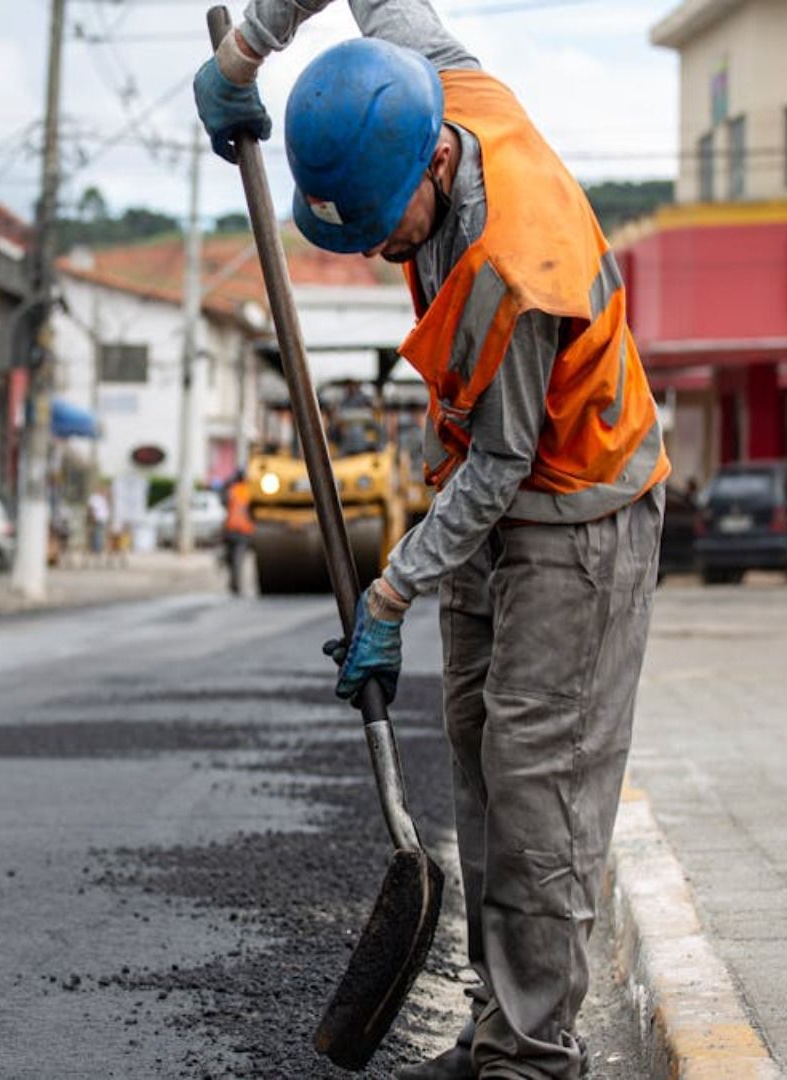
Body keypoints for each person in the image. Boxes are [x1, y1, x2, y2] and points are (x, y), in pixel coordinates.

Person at [198, 6, 670, 1078]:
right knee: (476, 753)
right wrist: (249, 50)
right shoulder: (433, 79)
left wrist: (392, 591)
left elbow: (508, 467)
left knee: (536, 780)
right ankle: (496, 1020)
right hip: (484, 481)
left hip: (578, 507)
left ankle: (531, 1057)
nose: (379, 250)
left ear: (437, 162)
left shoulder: (516, 263)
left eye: (385, 228)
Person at [222, 469, 255, 595]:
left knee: (232, 559)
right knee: (238, 559)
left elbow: (223, 501)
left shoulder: (232, 491)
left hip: (231, 529)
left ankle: (234, 583)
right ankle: (236, 584)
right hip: (244, 530)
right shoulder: (249, 491)